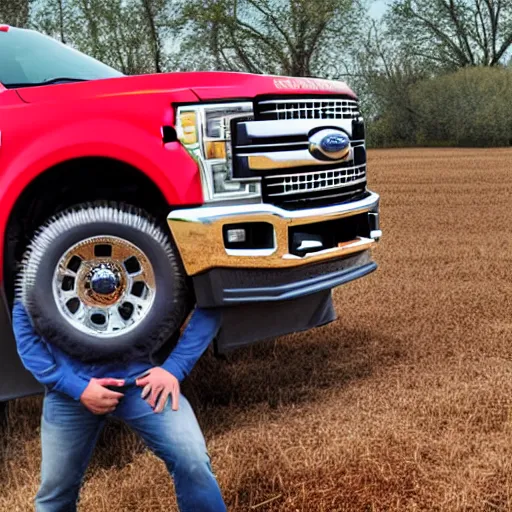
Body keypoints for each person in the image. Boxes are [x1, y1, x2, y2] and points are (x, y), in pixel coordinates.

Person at [11, 300, 227, 512]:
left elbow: (212, 299)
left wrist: (175, 367)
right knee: (55, 493)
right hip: (73, 388)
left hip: (144, 381)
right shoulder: (39, 265)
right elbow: (24, 316)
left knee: (192, 461)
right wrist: (73, 385)